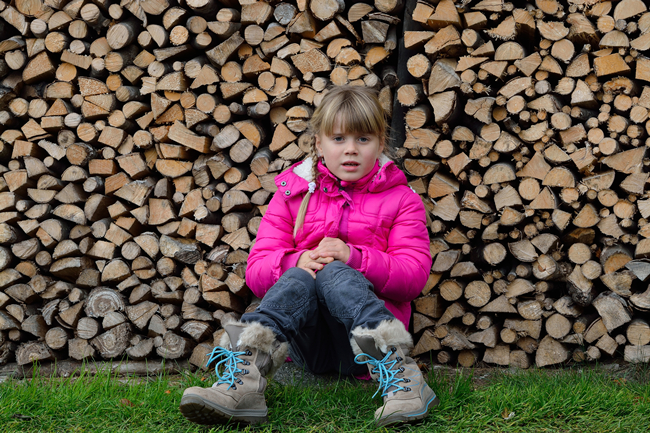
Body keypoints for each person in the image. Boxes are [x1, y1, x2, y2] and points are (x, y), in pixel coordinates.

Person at [179, 85, 439, 427]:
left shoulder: (402, 199)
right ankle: (244, 381)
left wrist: (354, 257)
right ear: (318, 143)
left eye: (363, 139)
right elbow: (256, 273)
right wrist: (293, 262)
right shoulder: (291, 196)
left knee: (334, 273)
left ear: (380, 143)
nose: (350, 150)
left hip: (365, 350)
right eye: (339, 138)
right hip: (307, 346)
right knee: (302, 274)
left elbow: (413, 277)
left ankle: (403, 379)